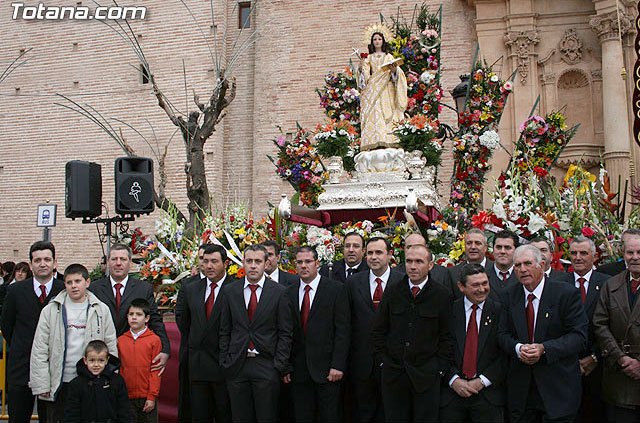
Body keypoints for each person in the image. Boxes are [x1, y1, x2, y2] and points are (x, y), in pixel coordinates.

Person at [497, 245, 587, 423]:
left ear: (542, 265)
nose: (522, 269)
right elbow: (501, 334)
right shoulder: (508, 295)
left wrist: (544, 349)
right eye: (517, 265)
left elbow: (579, 336)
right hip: (521, 393)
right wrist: (518, 348)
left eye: (528, 263)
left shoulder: (565, 294)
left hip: (558, 390)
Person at [371, 245, 453, 422]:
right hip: (394, 376)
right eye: (409, 261)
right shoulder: (393, 291)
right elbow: (379, 330)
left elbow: (447, 337)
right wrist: (383, 362)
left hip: (427, 378)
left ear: (430, 265)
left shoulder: (442, 295)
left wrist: (439, 369)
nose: (413, 266)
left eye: (419, 261)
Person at [30, 263, 118, 423]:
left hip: (90, 380)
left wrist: (109, 376)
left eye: (78, 281)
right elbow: (40, 348)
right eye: (69, 282)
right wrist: (41, 383)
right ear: (65, 285)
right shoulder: (50, 310)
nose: (74, 286)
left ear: (87, 282)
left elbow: (110, 344)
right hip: (59, 381)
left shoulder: (101, 310)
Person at [219, 244, 293, 423]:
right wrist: (225, 360)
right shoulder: (230, 291)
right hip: (237, 365)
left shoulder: (279, 292)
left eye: (258, 261)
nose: (253, 265)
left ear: (266, 264)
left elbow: (285, 332)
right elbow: (224, 329)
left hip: (266, 365)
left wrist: (279, 364)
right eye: (249, 261)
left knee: (267, 417)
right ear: (243, 263)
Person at [1, 241, 64, 423]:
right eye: (37, 260)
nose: (42, 263)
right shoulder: (15, 291)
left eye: (47, 259)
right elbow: (7, 326)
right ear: (30, 265)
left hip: (53, 369)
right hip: (21, 369)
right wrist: (23, 346)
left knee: (50, 419)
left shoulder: (63, 290)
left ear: (55, 263)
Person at [285, 246, 349, 422]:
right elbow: (286, 332)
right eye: (299, 262)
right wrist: (286, 366)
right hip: (298, 371)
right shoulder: (288, 292)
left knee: (329, 416)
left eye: (308, 262)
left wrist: (337, 365)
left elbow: (342, 330)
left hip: (328, 370)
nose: (303, 266)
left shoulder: (335, 289)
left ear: (317, 263)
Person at [344, 236, 403, 422]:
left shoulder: (402, 281)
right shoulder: (354, 282)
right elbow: (347, 322)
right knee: (363, 413)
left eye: (378, 252)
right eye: (369, 253)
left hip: (394, 362)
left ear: (390, 255)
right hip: (362, 363)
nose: (373, 257)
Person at [89, 243, 170, 373]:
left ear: (130, 263)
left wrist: (165, 349)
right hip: (102, 356)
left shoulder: (143, 288)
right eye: (114, 259)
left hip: (134, 355)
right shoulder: (94, 289)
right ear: (108, 262)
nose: (118, 263)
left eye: (123, 259)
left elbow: (154, 320)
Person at [440, 263, 506, 423]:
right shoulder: (448, 311)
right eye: (475, 285)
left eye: (485, 283)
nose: (482, 289)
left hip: (488, 398)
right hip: (452, 397)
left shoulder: (500, 312)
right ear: (461, 287)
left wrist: (482, 381)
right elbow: (439, 349)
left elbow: (505, 353)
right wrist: (453, 380)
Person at [176, 244, 233, 423]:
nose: (209, 266)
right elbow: (184, 321)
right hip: (198, 365)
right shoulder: (191, 288)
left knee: (225, 415)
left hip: (224, 365)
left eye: (214, 262)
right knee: (199, 416)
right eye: (205, 261)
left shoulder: (236, 288)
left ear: (226, 263)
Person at [593, 228, 640, 421]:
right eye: (630, 252)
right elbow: (600, 324)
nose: (635, 257)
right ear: (623, 254)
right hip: (619, 378)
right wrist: (621, 358)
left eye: (639, 252)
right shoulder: (610, 285)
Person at [564, 236, 608, 423]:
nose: (578, 257)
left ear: (594, 256)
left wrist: (595, 357)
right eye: (573, 253)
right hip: (565, 365)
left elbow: (612, 325)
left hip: (599, 366)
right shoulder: (559, 283)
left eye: (583, 253)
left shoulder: (608, 283)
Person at [358, 23, 408, 150]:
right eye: (374, 39)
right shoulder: (369, 58)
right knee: (376, 114)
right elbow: (365, 79)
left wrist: (394, 71)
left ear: (383, 40)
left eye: (379, 39)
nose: (377, 41)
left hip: (387, 90)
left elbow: (397, 75)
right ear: (371, 42)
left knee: (388, 114)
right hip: (373, 91)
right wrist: (361, 68)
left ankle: (389, 141)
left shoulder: (389, 57)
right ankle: (376, 140)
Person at [174, 243, 207, 423]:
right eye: (201, 258)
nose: (205, 263)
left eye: (209, 259)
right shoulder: (188, 285)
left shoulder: (228, 284)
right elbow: (181, 317)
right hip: (192, 350)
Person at [64, 340, 131, 423]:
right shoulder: (76, 384)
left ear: (107, 360)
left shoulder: (117, 381)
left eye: (101, 360)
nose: (96, 365)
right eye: (92, 360)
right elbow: (72, 413)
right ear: (85, 360)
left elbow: (124, 410)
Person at [118, 298, 162, 423]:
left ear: (147, 318)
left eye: (138, 314)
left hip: (146, 397)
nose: (134, 318)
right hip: (126, 397)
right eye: (131, 314)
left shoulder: (154, 340)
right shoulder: (120, 341)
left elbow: (156, 371)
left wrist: (152, 396)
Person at [449, 228, 493, 299]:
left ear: (485, 248)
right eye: (469, 243)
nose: (473, 247)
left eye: (478, 243)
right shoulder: (452, 273)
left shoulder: (496, 269)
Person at [486, 230, 520, 299]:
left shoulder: (523, 275)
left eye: (507, 248)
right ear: (493, 249)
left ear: (516, 250)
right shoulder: (483, 275)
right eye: (498, 247)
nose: (502, 251)